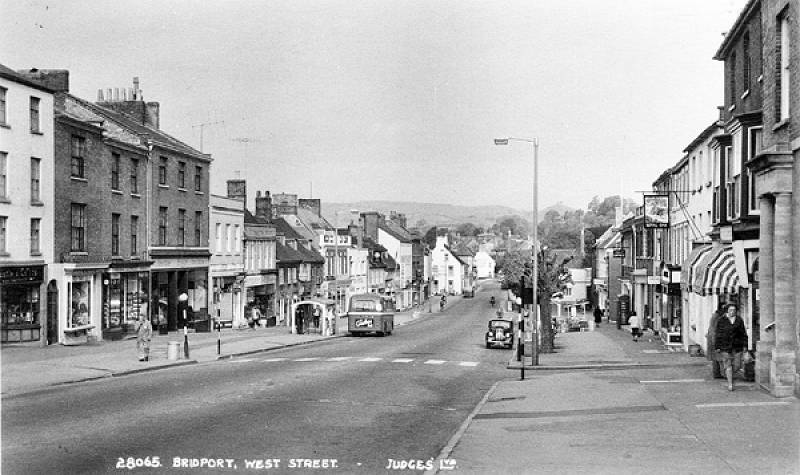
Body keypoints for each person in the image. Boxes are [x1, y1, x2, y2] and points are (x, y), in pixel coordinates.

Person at [714, 303, 748, 391]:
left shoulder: (739, 320)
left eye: (734, 310)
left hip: (737, 346)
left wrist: (745, 345)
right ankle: (730, 384)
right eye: (730, 310)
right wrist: (717, 346)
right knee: (728, 364)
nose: (732, 312)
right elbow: (718, 334)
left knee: (737, 365)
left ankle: (729, 375)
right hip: (725, 346)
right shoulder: (721, 320)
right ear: (727, 311)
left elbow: (743, 333)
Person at [706, 304, 725, 379]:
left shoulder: (715, 315)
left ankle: (717, 373)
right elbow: (715, 329)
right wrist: (716, 341)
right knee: (717, 357)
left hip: (712, 338)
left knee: (715, 358)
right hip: (714, 339)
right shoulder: (717, 317)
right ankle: (718, 373)